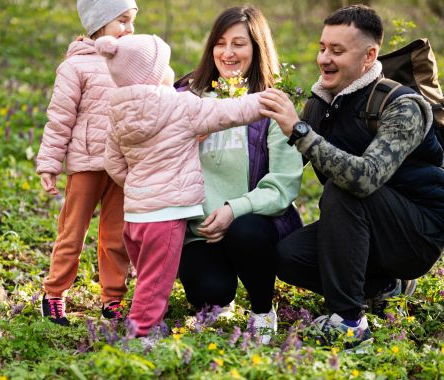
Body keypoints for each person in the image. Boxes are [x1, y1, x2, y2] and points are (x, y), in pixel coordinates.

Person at [259, 4, 444, 346]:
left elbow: (365, 178)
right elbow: (284, 167)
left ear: (369, 56)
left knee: (343, 190)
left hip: (420, 230)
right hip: (369, 225)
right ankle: (384, 285)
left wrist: (300, 130)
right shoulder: (322, 102)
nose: (324, 59)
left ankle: (349, 323)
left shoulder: (401, 105)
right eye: (322, 48)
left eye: (337, 51)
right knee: (288, 256)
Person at [96, 33, 268, 338]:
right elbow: (230, 112)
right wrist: (265, 100)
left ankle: (148, 319)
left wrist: (139, 185)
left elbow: (112, 163)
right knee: (156, 281)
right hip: (166, 215)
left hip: (135, 217)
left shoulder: (117, 111)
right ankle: (142, 334)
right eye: (166, 64)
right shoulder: (181, 106)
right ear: (155, 74)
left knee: (147, 274)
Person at [175, 6, 303, 344]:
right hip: (198, 230)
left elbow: (282, 185)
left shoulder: (272, 105)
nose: (227, 53)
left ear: (257, 49)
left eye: (239, 44)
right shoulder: (186, 97)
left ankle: (262, 309)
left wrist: (234, 208)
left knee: (245, 232)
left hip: (251, 223)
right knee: (209, 290)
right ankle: (222, 297)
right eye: (220, 43)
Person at [35, 0, 138, 326]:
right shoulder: (75, 66)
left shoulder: (132, 63)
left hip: (121, 166)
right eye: (123, 21)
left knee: (116, 236)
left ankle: (113, 300)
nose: (130, 29)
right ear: (100, 23)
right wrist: (49, 163)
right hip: (85, 164)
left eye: (132, 21)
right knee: (72, 230)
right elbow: (59, 119)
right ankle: (54, 294)